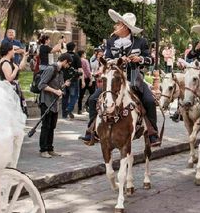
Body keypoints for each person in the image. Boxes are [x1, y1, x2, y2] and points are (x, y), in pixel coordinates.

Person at [79, 9, 160, 146]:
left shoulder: (141, 42)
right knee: (93, 99)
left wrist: (139, 59)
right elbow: (105, 58)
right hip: (114, 77)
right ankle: (91, 131)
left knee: (149, 100)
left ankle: (152, 132)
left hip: (134, 76)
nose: (115, 26)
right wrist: (117, 60)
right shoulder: (111, 42)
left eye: (118, 24)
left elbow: (151, 60)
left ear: (125, 27)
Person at [37, 53, 72, 158]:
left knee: (52, 127)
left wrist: (63, 86)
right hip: (46, 102)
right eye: (68, 64)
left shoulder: (60, 72)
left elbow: (57, 87)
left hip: (54, 103)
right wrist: (55, 91)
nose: (68, 66)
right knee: (45, 126)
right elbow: (41, 85)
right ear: (65, 61)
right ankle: (43, 150)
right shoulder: (51, 69)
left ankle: (50, 148)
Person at [0, 42, 28, 113]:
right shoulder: (5, 62)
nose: (14, 52)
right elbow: (9, 78)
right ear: (8, 51)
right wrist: (16, 69)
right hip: (10, 90)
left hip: (14, 88)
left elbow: (20, 67)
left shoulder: (9, 61)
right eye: (13, 50)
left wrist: (24, 56)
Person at [61, 42, 84, 119]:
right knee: (74, 96)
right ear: (74, 48)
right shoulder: (76, 56)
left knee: (65, 97)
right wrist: (82, 80)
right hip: (74, 79)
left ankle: (64, 114)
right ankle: (69, 109)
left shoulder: (63, 56)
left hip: (64, 79)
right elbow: (80, 69)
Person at [77, 50, 93, 115]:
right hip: (87, 79)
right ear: (83, 54)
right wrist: (91, 79)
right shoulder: (85, 60)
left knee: (80, 95)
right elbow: (88, 70)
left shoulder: (78, 60)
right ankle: (87, 104)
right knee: (92, 93)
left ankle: (79, 109)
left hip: (81, 79)